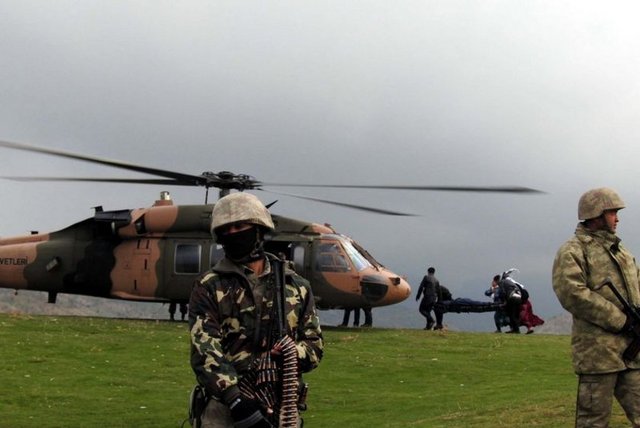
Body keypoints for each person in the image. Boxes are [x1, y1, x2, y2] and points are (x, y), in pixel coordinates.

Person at [189, 192, 324, 428]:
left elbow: (314, 346)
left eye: (240, 226)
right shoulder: (209, 286)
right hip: (226, 410)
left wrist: (290, 353)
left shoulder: (296, 286)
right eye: (226, 230)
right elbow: (205, 350)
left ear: (259, 229)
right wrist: (235, 399)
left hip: (282, 406)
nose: (233, 234)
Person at [552, 187, 640, 427]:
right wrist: (620, 320)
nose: (617, 219)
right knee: (593, 422)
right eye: (612, 213)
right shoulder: (573, 251)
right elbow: (572, 293)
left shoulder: (622, 252)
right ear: (595, 214)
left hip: (632, 353)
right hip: (597, 356)